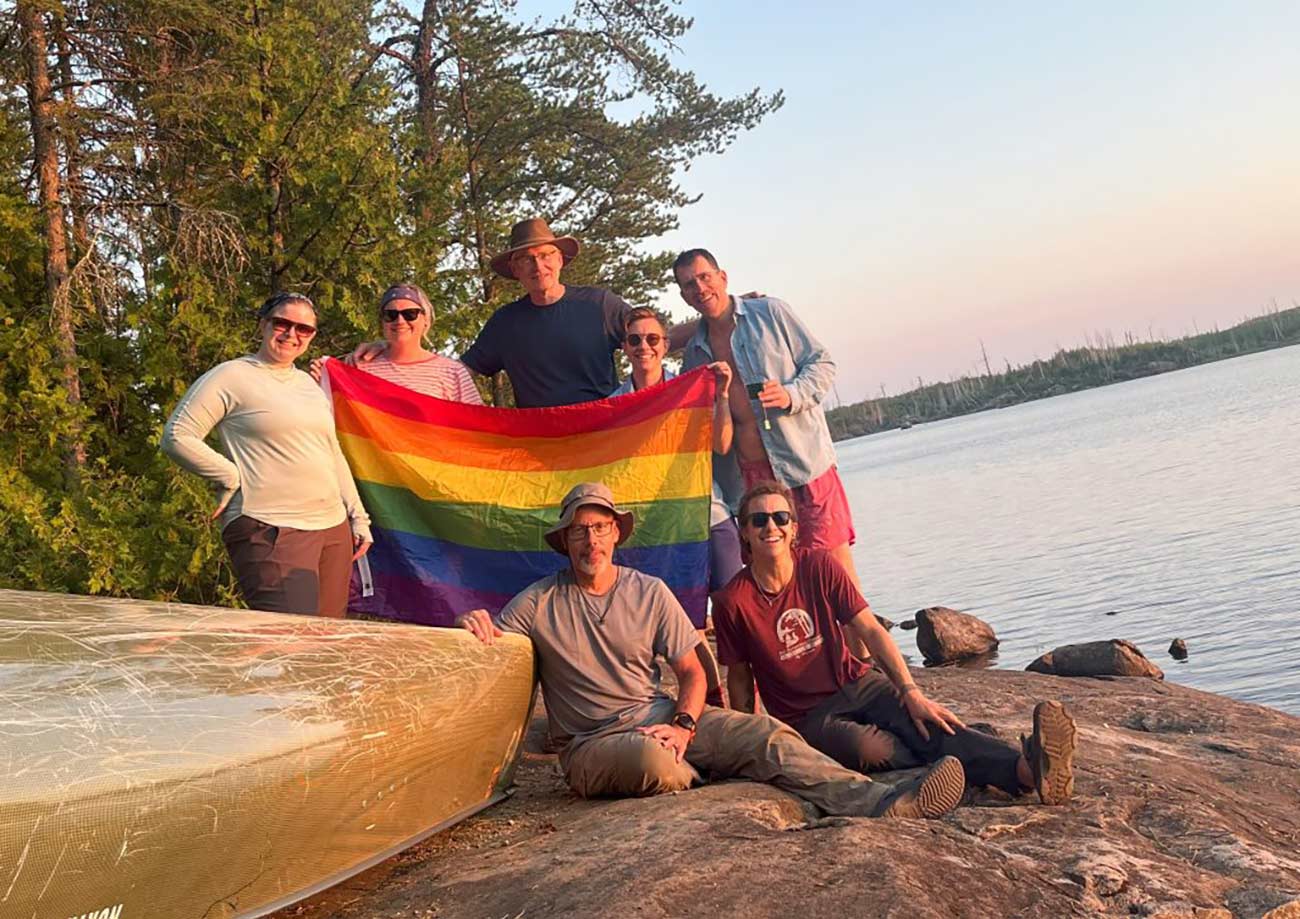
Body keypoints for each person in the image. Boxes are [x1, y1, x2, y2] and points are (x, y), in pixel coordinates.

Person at [455, 482, 969, 820]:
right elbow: (493, 647)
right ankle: (704, 769)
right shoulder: (537, 602)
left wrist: (683, 723)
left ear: (617, 533)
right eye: (580, 531)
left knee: (764, 733)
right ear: (564, 540)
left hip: (660, 718)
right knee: (654, 762)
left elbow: (693, 673)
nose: (591, 540)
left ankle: (881, 802)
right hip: (593, 743)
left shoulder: (647, 591)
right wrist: (469, 623)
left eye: (600, 528)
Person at [712, 480, 1078, 806]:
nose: (770, 527)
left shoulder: (819, 567)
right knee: (872, 748)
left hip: (859, 683)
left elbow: (871, 630)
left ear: (793, 528)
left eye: (779, 518)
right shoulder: (733, 602)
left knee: (927, 722)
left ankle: (1028, 770)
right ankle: (958, 759)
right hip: (808, 716)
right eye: (758, 521)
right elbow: (741, 679)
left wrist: (909, 690)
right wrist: (750, 739)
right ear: (744, 532)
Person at [162, 291, 373, 617]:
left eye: (304, 329)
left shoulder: (308, 385)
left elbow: (331, 453)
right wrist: (229, 474)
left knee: (329, 648)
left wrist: (358, 518)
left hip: (332, 531)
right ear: (263, 324)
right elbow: (177, 436)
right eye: (282, 323)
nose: (291, 335)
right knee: (290, 644)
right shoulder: (231, 376)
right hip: (270, 527)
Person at [674, 249, 862, 592]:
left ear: (722, 277)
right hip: (750, 481)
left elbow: (822, 364)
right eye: (689, 284)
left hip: (804, 465)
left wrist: (792, 395)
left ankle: (863, 649)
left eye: (704, 277)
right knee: (780, 583)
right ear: (684, 296)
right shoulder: (695, 355)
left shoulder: (770, 313)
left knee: (837, 577)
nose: (700, 288)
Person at [610, 306, 744, 609]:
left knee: (736, 608)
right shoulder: (612, 407)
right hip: (656, 532)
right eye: (635, 340)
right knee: (673, 620)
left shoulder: (691, 389)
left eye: (652, 339)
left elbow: (722, 446)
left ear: (665, 345)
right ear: (625, 348)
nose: (644, 347)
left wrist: (721, 396)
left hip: (708, 513)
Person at [314, 283, 482, 402]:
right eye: (391, 315)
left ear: (426, 319)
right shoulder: (361, 366)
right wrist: (322, 381)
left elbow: (476, 426)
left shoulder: (452, 372)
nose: (400, 321)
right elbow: (338, 413)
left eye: (410, 314)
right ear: (382, 321)